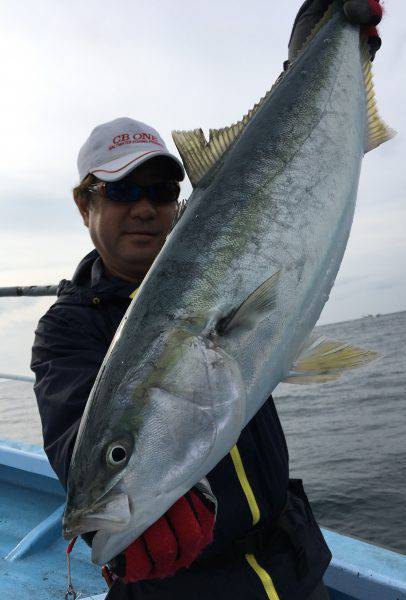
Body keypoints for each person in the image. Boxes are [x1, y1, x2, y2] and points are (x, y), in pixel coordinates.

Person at [31, 2, 383, 598]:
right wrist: (115, 491)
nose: (145, 206)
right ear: (84, 205)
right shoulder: (67, 328)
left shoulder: (213, 233)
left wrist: (313, 55)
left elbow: (272, 160)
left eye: (163, 189)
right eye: (121, 190)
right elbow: (75, 439)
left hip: (294, 564)